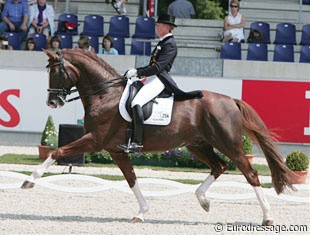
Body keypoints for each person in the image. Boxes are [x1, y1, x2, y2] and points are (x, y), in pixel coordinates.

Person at [118, 14, 203, 153]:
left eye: (159, 25)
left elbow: (158, 68)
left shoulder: (170, 44)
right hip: (153, 77)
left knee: (136, 103)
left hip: (160, 79)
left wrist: (137, 72)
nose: (156, 27)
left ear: (167, 27)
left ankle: (136, 142)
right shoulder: (163, 42)